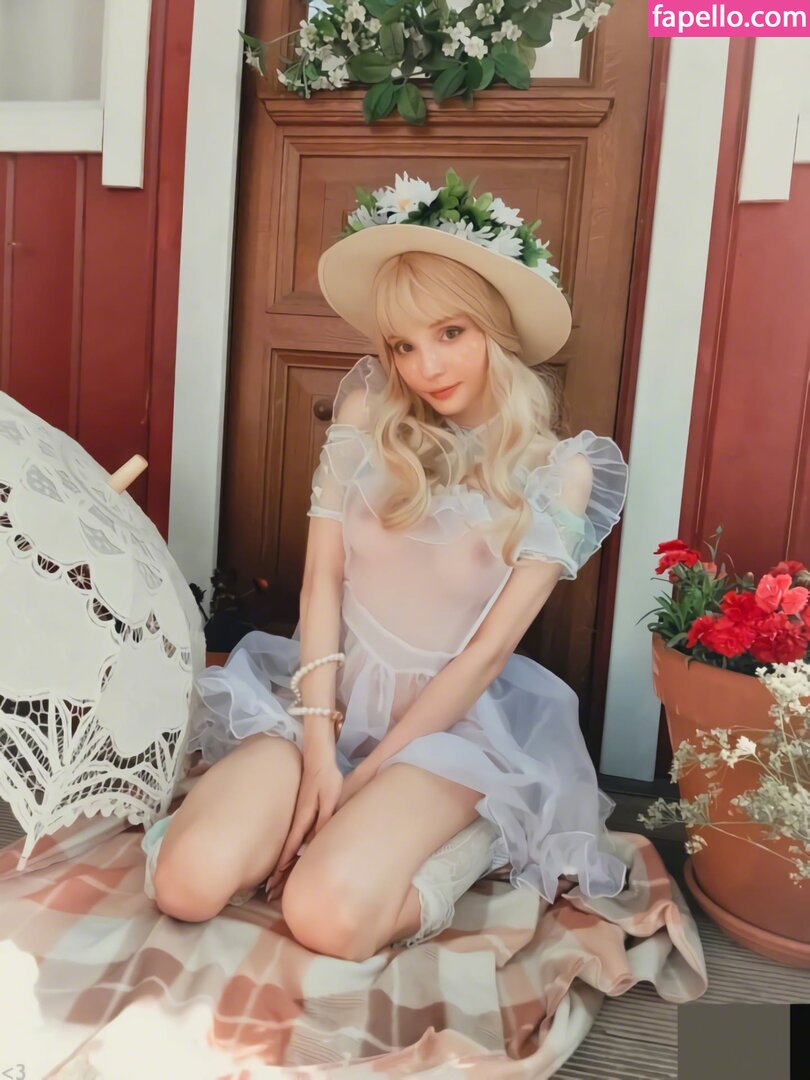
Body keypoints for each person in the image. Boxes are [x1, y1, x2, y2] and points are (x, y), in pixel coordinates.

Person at [141, 169, 630, 962]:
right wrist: (317, 750)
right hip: (318, 695)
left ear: (495, 329)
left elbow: (486, 655)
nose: (426, 365)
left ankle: (475, 839)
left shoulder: (557, 472)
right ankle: (280, 819)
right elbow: (320, 583)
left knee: (325, 917)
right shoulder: (367, 415)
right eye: (403, 344)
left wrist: (362, 780)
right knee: (185, 885)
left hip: (445, 731)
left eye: (451, 333)